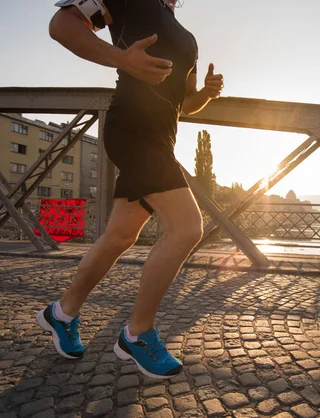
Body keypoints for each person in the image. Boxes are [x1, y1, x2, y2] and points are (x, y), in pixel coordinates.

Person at [36, 0, 224, 379]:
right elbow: (61, 25)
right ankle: (137, 334)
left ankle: (62, 313)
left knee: (120, 235)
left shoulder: (184, 35)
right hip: (133, 131)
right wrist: (121, 58)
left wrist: (205, 93)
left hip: (160, 138)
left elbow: (184, 104)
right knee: (187, 228)